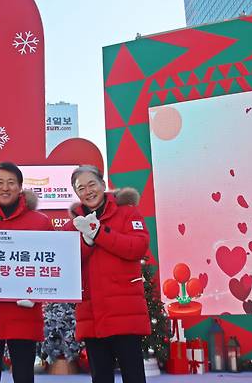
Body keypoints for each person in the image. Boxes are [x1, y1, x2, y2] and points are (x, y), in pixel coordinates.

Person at [63, 164, 150, 383]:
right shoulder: (73, 225)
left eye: (92, 184)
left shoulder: (128, 212)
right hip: (92, 317)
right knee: (100, 377)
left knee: (134, 376)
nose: (88, 191)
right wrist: (86, 242)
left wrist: (100, 233)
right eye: (80, 188)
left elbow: (138, 247)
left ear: (103, 184)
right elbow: (66, 262)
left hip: (125, 314)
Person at [0, 161, 52, 383]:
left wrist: (37, 294)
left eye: (11, 182)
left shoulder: (41, 223)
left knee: (24, 375)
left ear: (21, 187)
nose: (5, 187)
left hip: (24, 315)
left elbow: (52, 265)